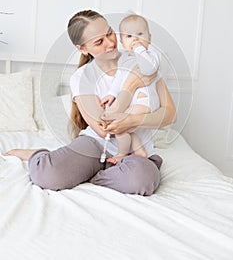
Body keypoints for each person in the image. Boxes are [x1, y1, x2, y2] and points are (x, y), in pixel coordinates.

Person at [4, 10, 176, 196]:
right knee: (48, 175)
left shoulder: (143, 63)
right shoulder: (83, 77)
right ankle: (39, 155)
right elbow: (104, 128)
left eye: (110, 33)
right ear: (82, 49)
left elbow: (170, 114)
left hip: (135, 150)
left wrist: (133, 121)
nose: (111, 43)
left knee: (142, 181)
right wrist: (130, 87)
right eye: (99, 41)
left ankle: (96, 176)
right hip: (94, 144)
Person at [100, 14, 161, 164]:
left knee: (121, 125)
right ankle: (138, 149)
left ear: (150, 37)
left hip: (145, 101)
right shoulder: (124, 58)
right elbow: (119, 79)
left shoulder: (152, 55)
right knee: (120, 127)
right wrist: (111, 94)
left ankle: (122, 154)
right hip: (132, 103)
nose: (135, 39)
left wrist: (139, 49)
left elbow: (147, 69)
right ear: (122, 42)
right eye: (129, 36)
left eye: (140, 34)